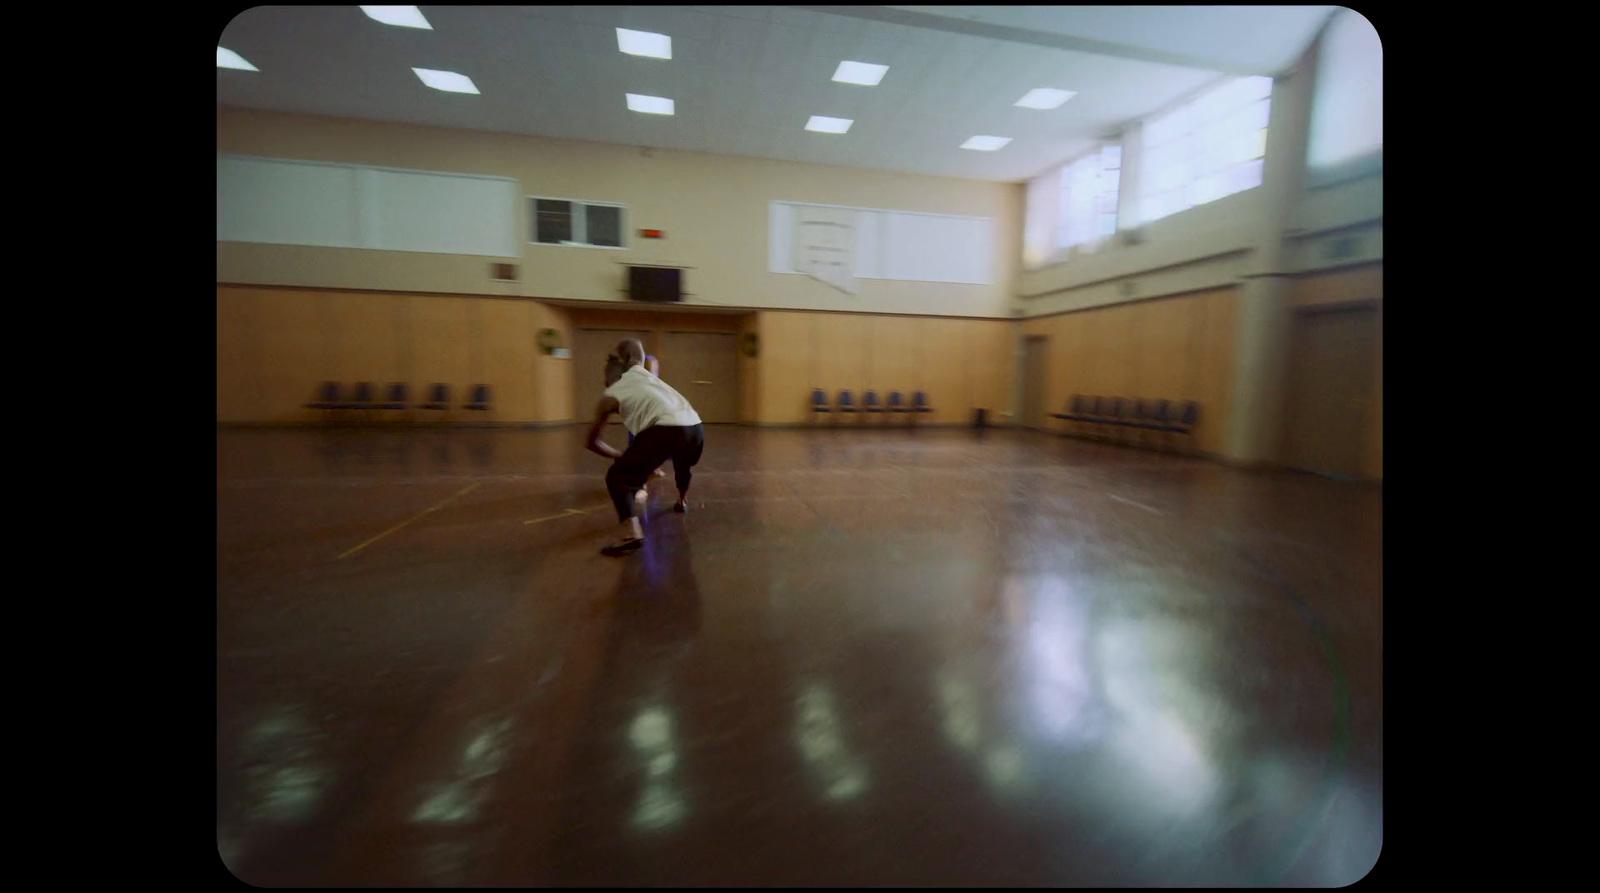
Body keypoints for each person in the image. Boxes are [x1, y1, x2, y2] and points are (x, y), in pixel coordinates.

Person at [588, 339, 704, 556]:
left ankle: (630, 534)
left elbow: (592, 442)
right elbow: (634, 345)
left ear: (609, 378)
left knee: (618, 477)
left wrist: (618, 456)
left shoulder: (609, 397)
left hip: (665, 428)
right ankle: (682, 501)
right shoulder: (638, 370)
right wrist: (621, 348)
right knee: (683, 463)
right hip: (694, 425)